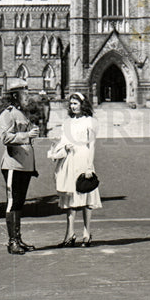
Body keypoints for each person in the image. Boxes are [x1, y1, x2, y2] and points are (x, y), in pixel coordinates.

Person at [48, 91, 101, 247]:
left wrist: (89, 166)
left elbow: (91, 145)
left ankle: (86, 233)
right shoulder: (68, 122)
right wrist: (62, 147)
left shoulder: (90, 121)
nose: (73, 106)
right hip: (69, 159)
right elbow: (63, 140)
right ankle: (70, 233)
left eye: (76, 103)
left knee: (85, 195)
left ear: (82, 104)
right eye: (71, 104)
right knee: (70, 197)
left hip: (83, 158)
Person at [0, 79, 40, 254]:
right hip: (13, 165)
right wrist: (27, 135)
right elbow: (5, 138)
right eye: (25, 93)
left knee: (19, 203)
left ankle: (18, 238)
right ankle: (12, 241)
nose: (27, 97)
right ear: (15, 96)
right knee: (12, 202)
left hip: (24, 165)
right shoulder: (7, 114)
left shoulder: (21, 114)